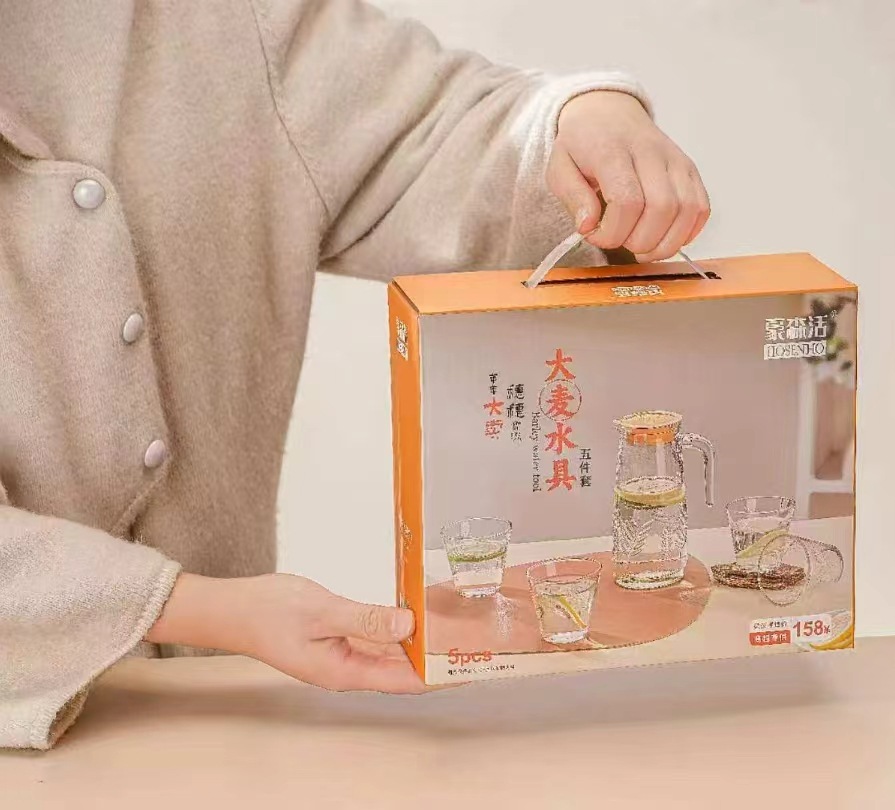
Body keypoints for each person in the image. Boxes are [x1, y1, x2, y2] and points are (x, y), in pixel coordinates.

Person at [0, 0, 709, 750]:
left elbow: (431, 134)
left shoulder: (215, 20)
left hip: (222, 725)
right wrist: (208, 610)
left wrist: (579, 120)